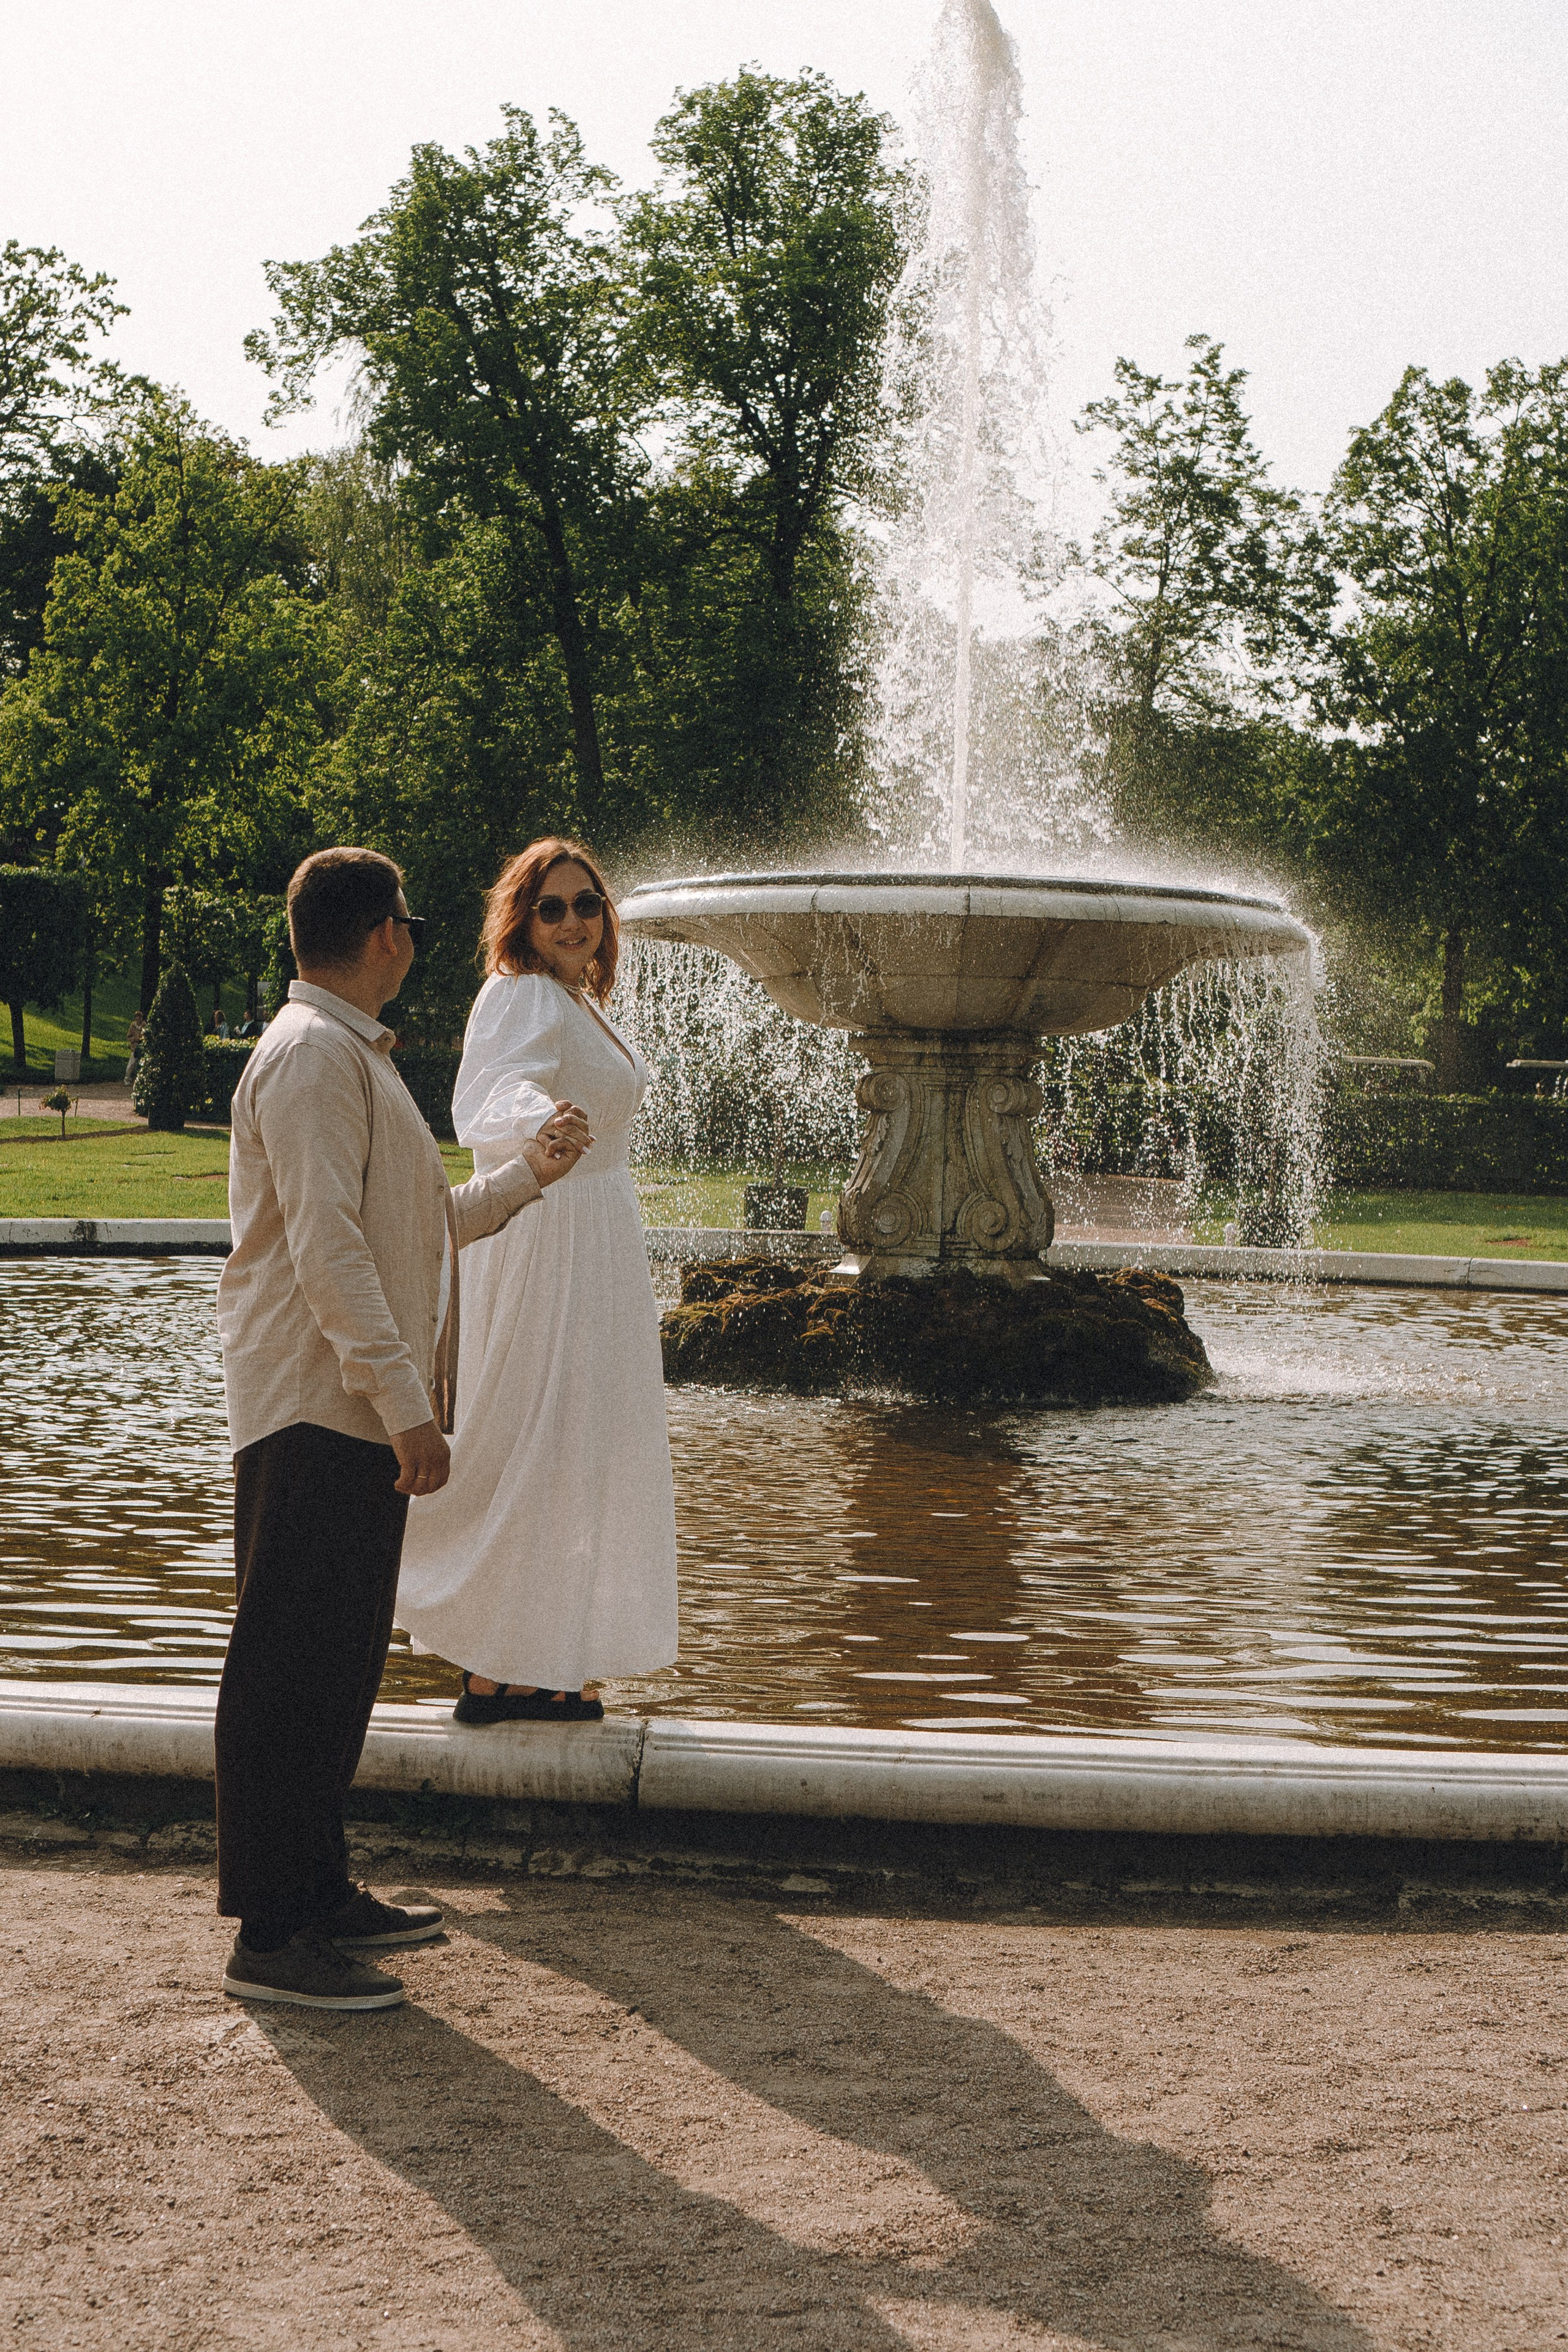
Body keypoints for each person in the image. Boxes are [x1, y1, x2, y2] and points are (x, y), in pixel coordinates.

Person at [212, 845, 592, 2013]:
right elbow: (327, 1250)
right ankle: (272, 1933)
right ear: (386, 934)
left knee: (336, 1663)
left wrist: (528, 1175)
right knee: (289, 1664)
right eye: (411, 927)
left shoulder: (346, 1056)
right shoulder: (312, 1057)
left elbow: (415, 1228)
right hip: (316, 1407)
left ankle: (315, 1889)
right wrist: (407, 1408)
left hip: (345, 1410)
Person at [395, 838, 678, 1724]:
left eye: (586, 904)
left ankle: (545, 1658)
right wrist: (542, 1120)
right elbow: (490, 1090)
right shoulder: (518, 991)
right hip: (548, 1231)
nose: (571, 921)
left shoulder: (576, 998)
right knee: (530, 1434)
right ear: (522, 919)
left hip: (596, 1235)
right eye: (550, 907)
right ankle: (492, 1665)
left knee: (577, 1444)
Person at [123, 1009, 145, 1090]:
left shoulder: (144, 1026)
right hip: (134, 1047)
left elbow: (146, 1036)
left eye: (139, 1018)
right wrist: (133, 1040)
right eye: (137, 1019)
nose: (138, 1020)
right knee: (131, 1064)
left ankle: (140, 1081)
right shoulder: (133, 1026)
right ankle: (127, 1080)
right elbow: (129, 1036)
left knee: (141, 1065)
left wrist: (140, 1039)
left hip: (142, 1047)